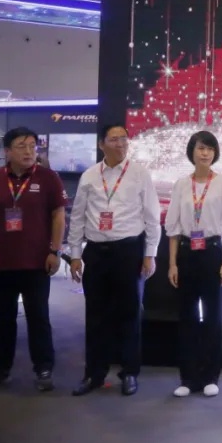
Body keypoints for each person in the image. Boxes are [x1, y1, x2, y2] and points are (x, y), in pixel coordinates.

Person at [0, 127, 67, 392]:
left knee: (39, 317)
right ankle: (0, 369)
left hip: (37, 263)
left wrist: (55, 251)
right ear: (7, 152)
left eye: (33, 146)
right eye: (22, 146)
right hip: (1, 262)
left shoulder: (48, 178)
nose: (29, 151)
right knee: (3, 320)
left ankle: (44, 368)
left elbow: (58, 216)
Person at [68, 124, 161, 397]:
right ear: (102, 144)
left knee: (129, 314)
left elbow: (152, 216)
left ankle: (129, 372)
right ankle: (94, 374)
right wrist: (75, 255)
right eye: (114, 139)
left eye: (124, 139)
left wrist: (150, 254)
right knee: (95, 315)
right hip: (96, 252)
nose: (121, 144)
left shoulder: (139, 174)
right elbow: (78, 216)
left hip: (128, 251)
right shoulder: (89, 176)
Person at [166, 131, 222, 398]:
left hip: (213, 253)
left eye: (210, 149)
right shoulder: (181, 184)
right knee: (187, 317)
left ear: (215, 153)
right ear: (192, 151)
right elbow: (173, 228)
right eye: (200, 148)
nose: (205, 153)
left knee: (213, 317)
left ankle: (210, 376)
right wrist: (172, 264)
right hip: (186, 253)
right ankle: (188, 378)